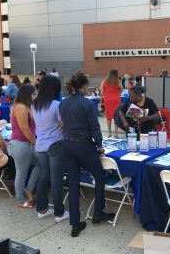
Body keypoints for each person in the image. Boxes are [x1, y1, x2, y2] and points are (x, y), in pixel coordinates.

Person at [60, 72, 115, 237]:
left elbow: (63, 125)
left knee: (73, 183)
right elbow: (94, 127)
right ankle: (98, 212)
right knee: (99, 176)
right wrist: (99, 145)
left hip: (68, 144)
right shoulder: (87, 103)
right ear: (84, 87)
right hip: (84, 145)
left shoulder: (63, 103)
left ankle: (75, 224)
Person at [32, 75, 69, 223]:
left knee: (43, 176)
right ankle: (59, 213)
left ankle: (42, 209)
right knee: (56, 180)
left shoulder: (34, 104)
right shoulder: (55, 105)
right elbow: (63, 125)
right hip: (55, 144)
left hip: (40, 145)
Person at [7, 84, 39, 208]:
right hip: (20, 144)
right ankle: (20, 200)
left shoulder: (27, 106)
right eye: (34, 94)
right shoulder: (21, 107)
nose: (36, 96)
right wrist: (35, 142)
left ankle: (29, 189)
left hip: (25, 144)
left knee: (41, 164)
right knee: (21, 173)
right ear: (28, 94)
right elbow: (24, 128)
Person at [101, 70, 123, 137]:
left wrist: (101, 102)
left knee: (108, 117)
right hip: (116, 99)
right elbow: (121, 89)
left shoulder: (104, 81)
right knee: (116, 117)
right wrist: (117, 94)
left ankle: (109, 132)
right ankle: (116, 133)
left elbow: (102, 92)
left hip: (107, 100)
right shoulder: (118, 81)